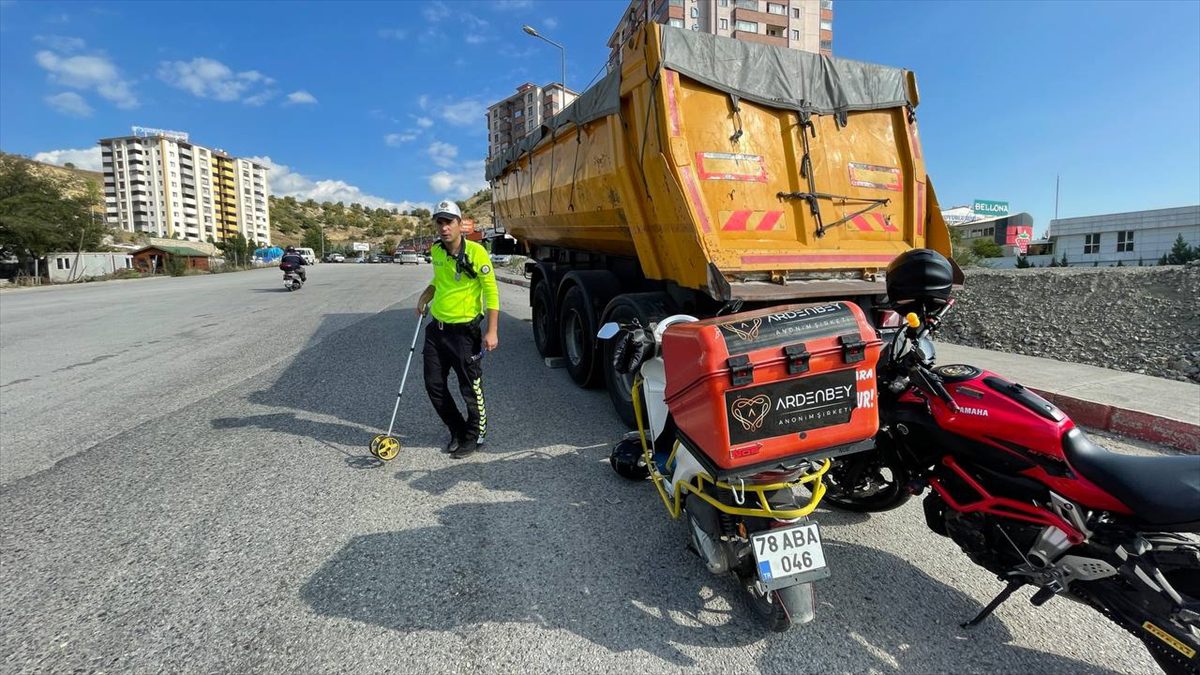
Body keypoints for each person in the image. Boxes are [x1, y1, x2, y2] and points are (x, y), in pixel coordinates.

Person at [416, 200, 500, 459]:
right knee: (434, 385)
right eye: (439, 222)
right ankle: (457, 429)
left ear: (460, 224)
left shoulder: (476, 252)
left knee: (470, 387)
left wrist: (492, 331)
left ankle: (475, 435)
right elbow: (438, 281)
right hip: (436, 331)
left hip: (465, 333)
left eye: (448, 222)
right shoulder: (437, 251)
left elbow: (491, 291)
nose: (443, 228)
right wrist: (425, 296)